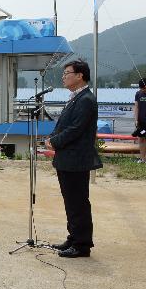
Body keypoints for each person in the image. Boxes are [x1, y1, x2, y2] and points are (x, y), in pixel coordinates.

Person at [45, 60, 102, 259]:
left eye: (67, 73)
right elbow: (63, 124)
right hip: (67, 158)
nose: (64, 76)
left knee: (78, 202)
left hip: (76, 159)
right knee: (71, 201)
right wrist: (52, 137)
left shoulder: (86, 99)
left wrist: (55, 141)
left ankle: (82, 244)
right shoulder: (75, 97)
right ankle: (74, 237)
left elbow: (76, 129)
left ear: (80, 76)